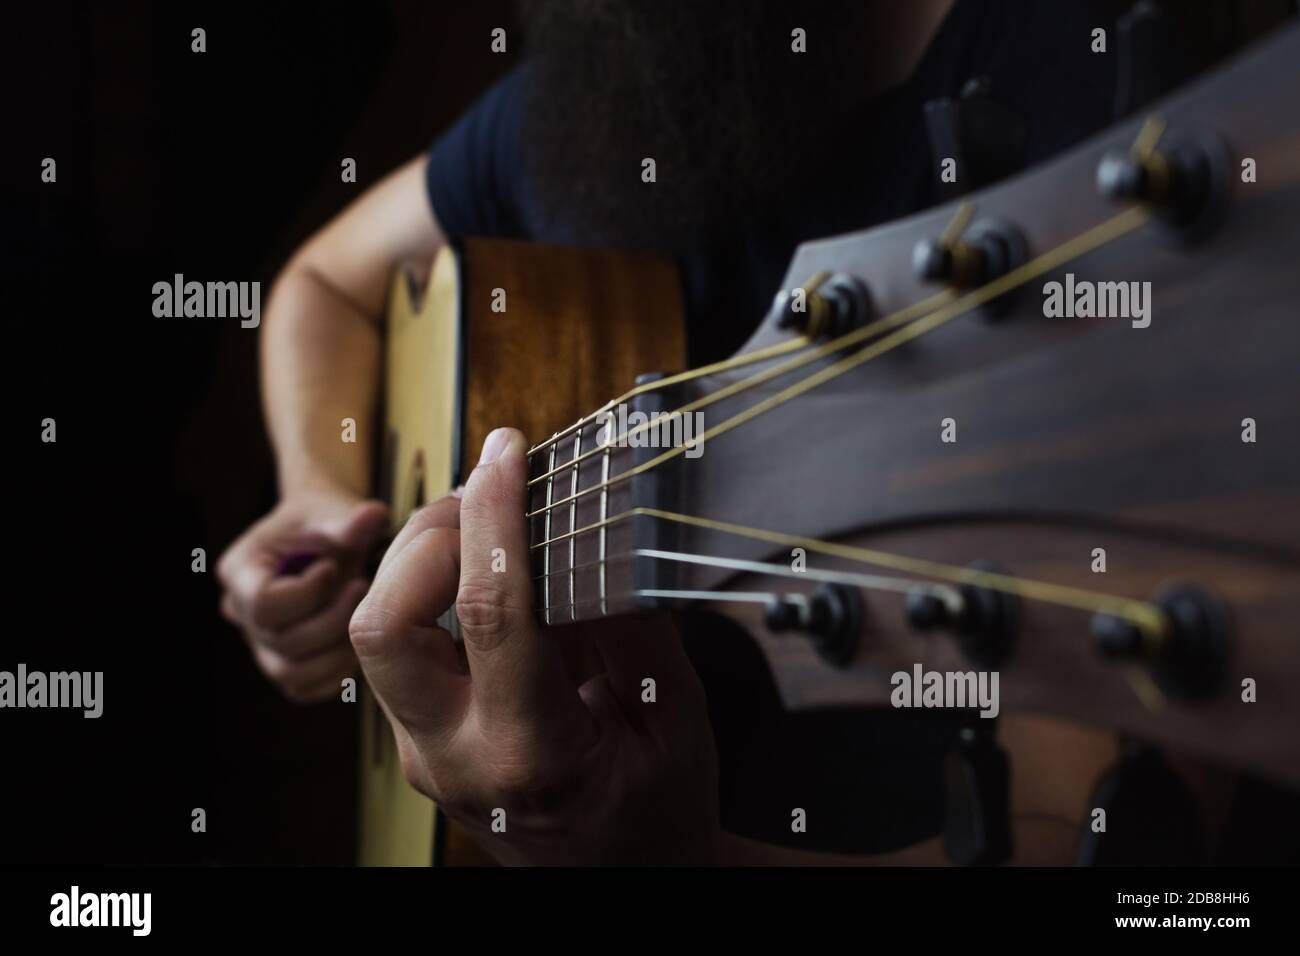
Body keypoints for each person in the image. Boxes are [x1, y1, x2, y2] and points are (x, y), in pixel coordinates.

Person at [218, 0, 1129, 863]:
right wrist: (318, 493)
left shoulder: (1099, 91)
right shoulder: (641, 64)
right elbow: (327, 286)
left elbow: (1081, 843)